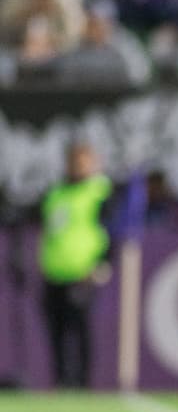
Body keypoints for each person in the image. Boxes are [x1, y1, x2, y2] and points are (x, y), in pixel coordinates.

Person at [39, 142, 113, 388]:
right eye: (74, 161)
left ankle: (83, 383)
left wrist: (103, 263)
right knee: (56, 331)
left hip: (83, 272)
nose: (78, 167)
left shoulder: (99, 192)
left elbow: (111, 231)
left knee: (80, 331)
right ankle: (61, 382)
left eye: (83, 161)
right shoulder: (56, 193)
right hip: (54, 272)